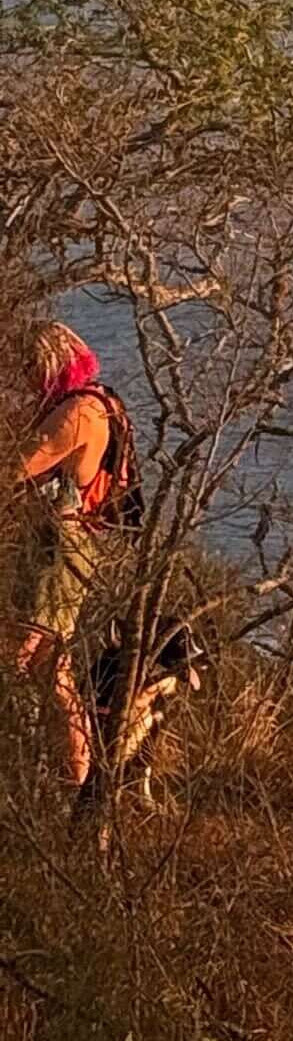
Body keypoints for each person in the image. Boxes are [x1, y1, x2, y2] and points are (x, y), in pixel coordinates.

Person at [13, 325, 126, 796]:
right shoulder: (99, 402)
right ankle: (79, 784)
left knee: (14, 658)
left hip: (57, 554)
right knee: (51, 668)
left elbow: (14, 467)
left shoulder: (77, 413)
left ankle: (35, 778)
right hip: (73, 546)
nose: (25, 378)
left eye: (30, 367)